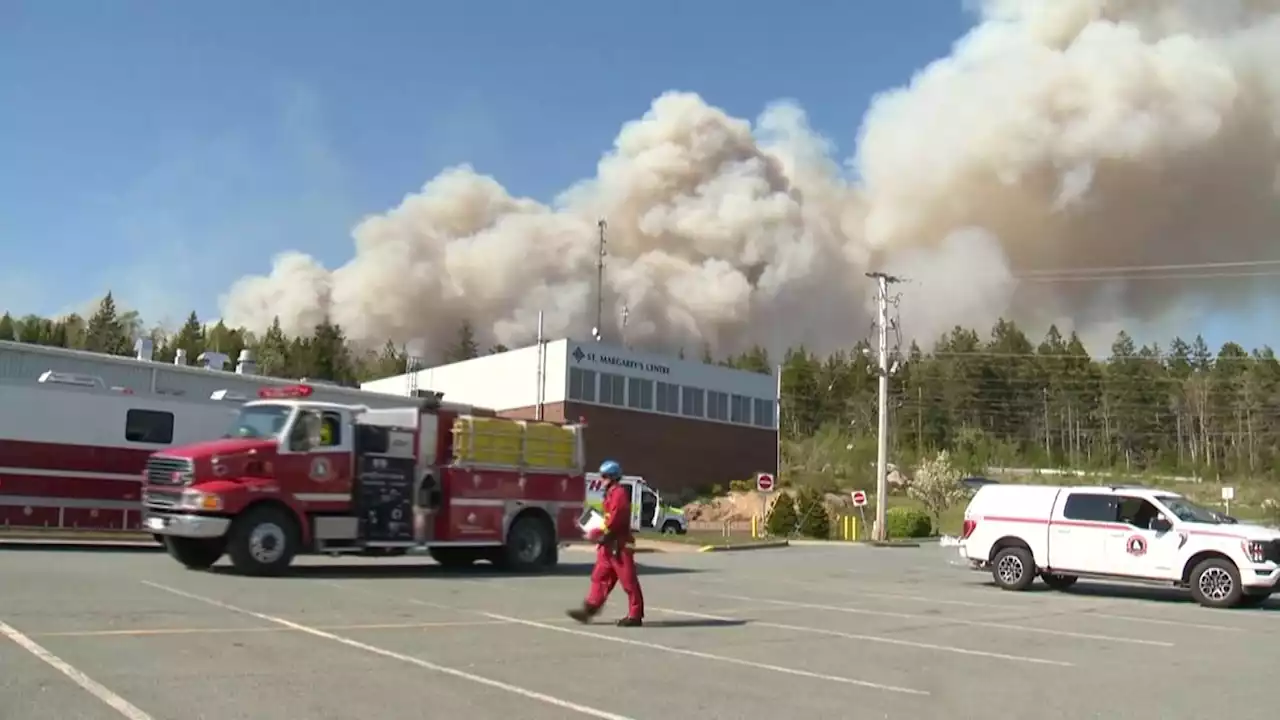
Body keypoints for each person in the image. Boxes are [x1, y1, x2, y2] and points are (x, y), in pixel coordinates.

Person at [567, 459, 645, 627]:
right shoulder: (610, 494)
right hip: (608, 546)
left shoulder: (619, 494)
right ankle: (589, 609)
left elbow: (618, 519)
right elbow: (608, 519)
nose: (600, 480)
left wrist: (603, 534)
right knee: (599, 577)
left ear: (612, 477)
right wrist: (593, 529)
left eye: (603, 476)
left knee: (628, 581)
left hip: (620, 545)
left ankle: (635, 615)